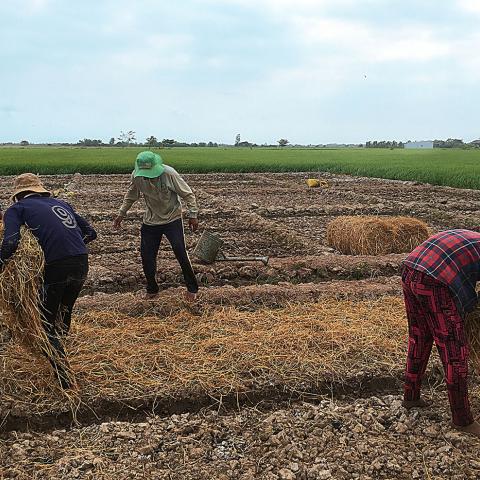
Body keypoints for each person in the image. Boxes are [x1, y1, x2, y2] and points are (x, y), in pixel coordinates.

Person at [0, 173, 97, 389]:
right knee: (63, 311)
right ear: (40, 190)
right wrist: (70, 248)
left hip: (56, 268)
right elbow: (91, 232)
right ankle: (60, 352)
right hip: (81, 262)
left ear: (18, 195)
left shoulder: (17, 209)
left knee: (44, 323)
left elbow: (10, 242)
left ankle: (64, 378)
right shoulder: (61, 203)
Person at [402, 229, 480, 436]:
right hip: (433, 280)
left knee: (419, 337)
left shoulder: (471, 237)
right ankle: (462, 420)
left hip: (410, 268)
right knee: (454, 351)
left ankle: (411, 397)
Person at [113, 151, 199, 300]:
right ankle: (152, 289)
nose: (148, 176)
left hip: (172, 219)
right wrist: (121, 214)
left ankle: (192, 288)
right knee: (147, 256)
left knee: (180, 251)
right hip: (150, 221)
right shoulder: (137, 176)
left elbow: (188, 194)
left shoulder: (169, 174)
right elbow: (131, 195)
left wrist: (193, 215)